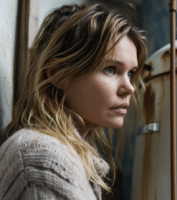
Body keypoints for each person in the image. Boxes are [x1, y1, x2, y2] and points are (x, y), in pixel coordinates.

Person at [0, 3, 147, 200]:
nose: (129, 87)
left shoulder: (66, 157)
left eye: (130, 73)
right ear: (58, 75)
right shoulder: (44, 159)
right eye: (111, 69)